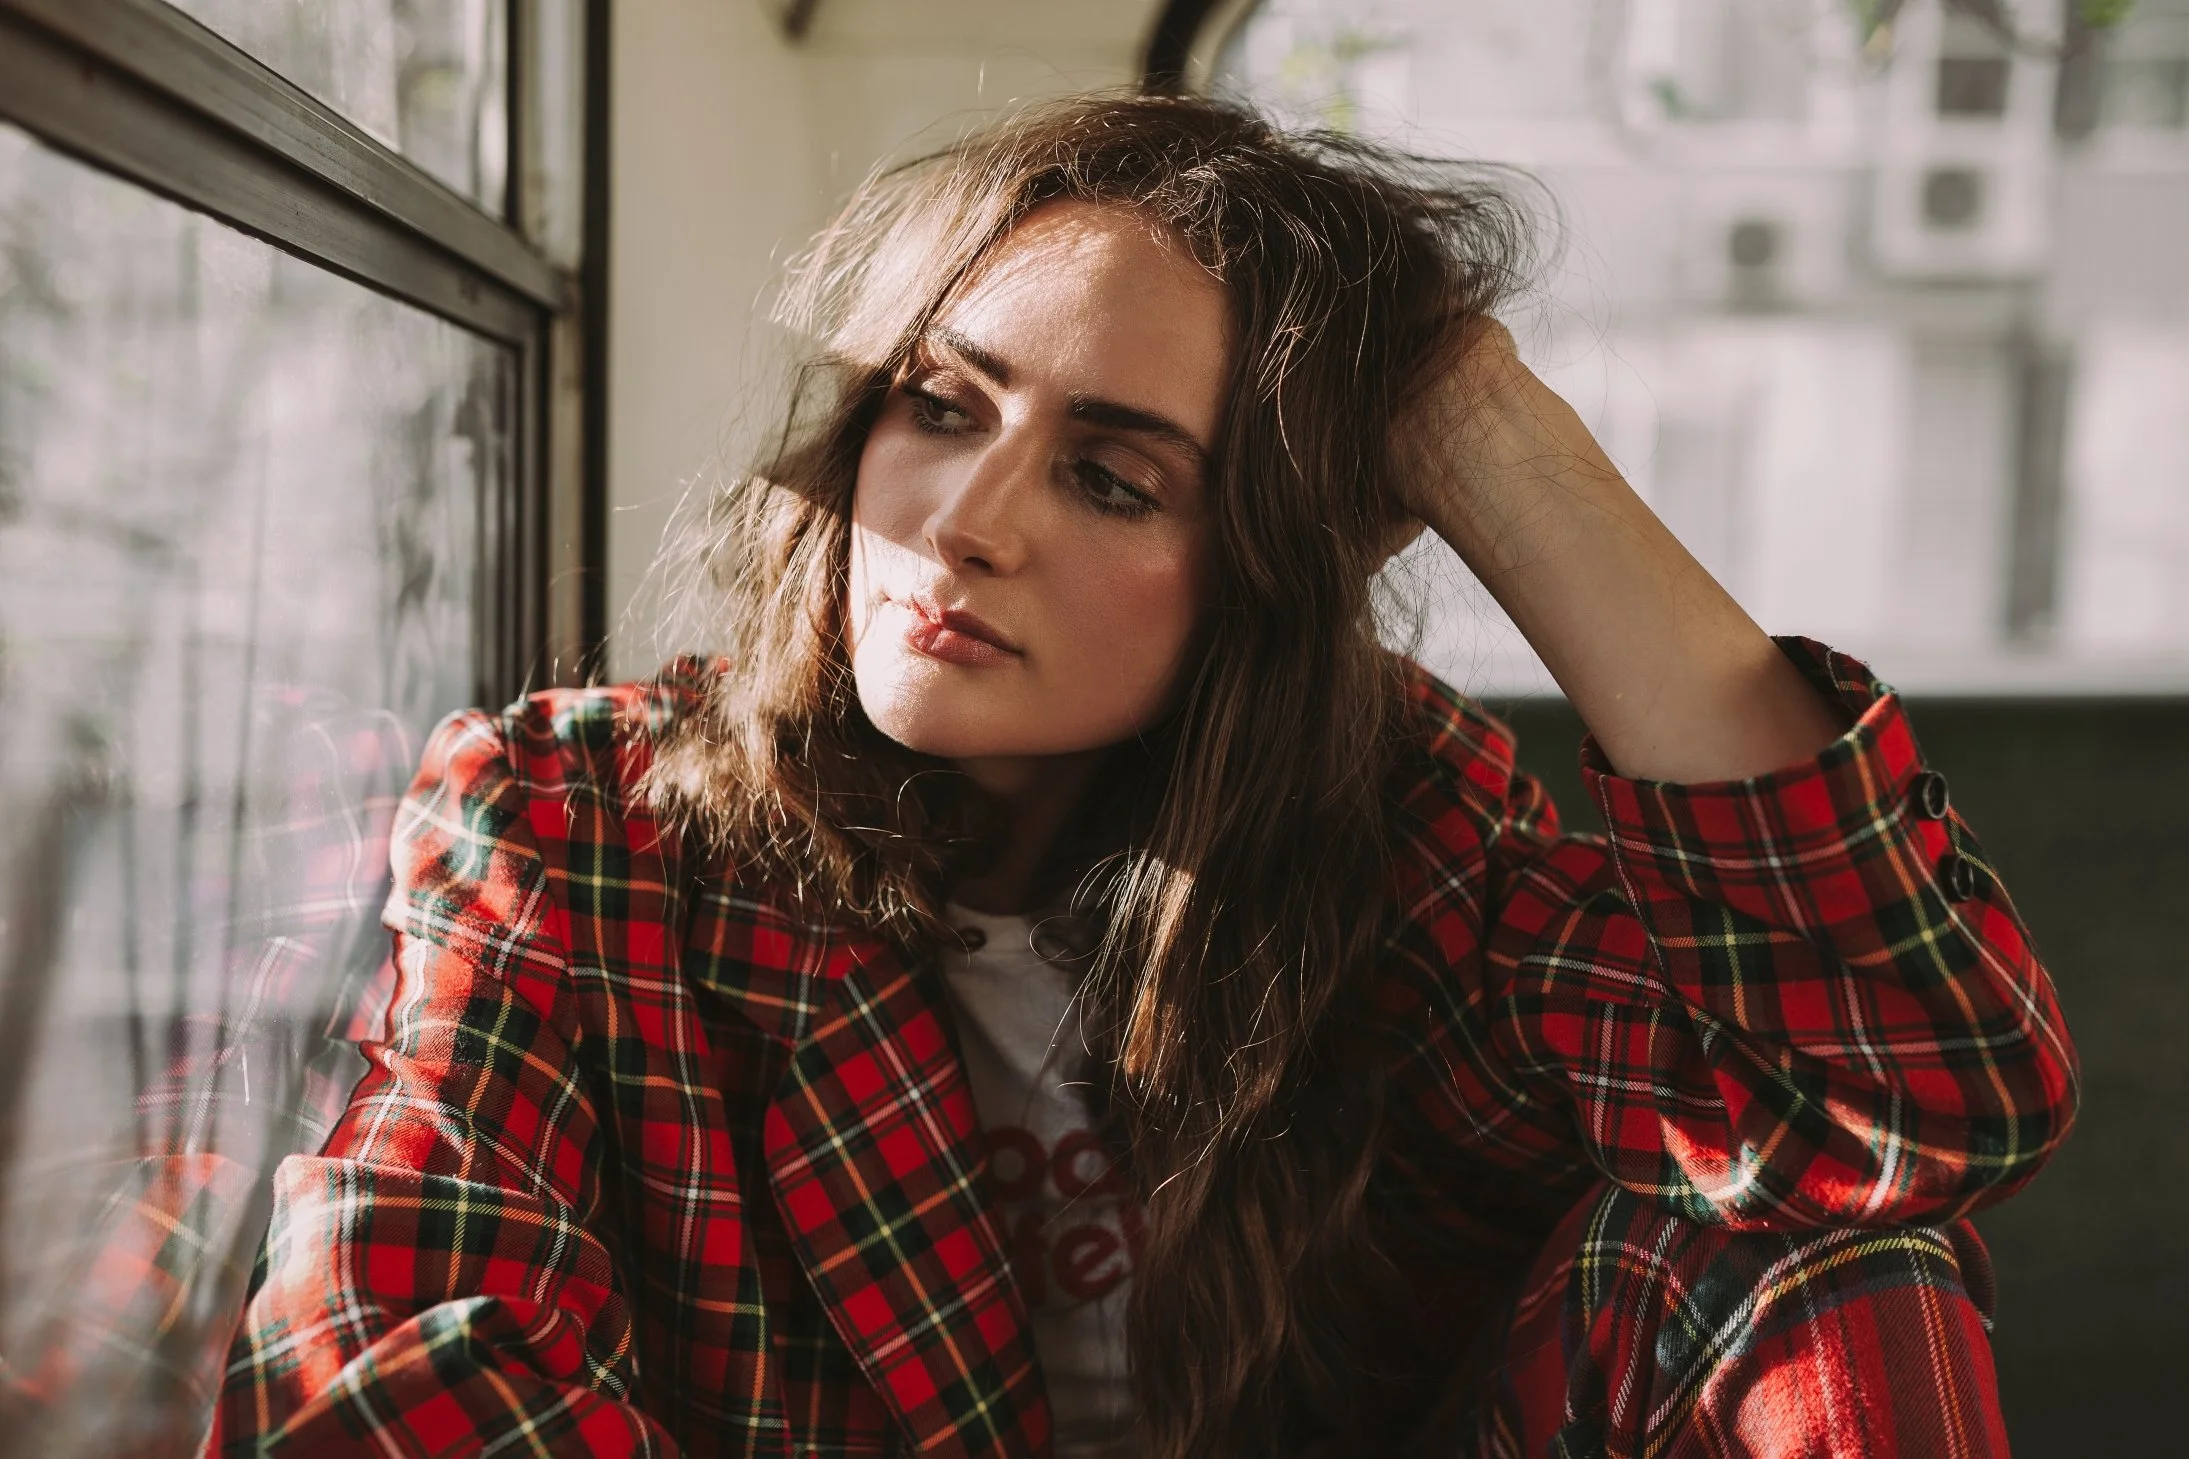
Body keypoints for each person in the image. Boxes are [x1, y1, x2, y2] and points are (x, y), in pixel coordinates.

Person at [204, 92, 2078, 1459]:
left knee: (1830, 1269)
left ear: (1257, 576)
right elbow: (385, 1359)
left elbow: (1911, 1093)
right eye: (939, 408)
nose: (963, 524)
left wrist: (1485, 427)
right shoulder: (577, 823)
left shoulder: (1400, 834)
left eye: (1113, 476)